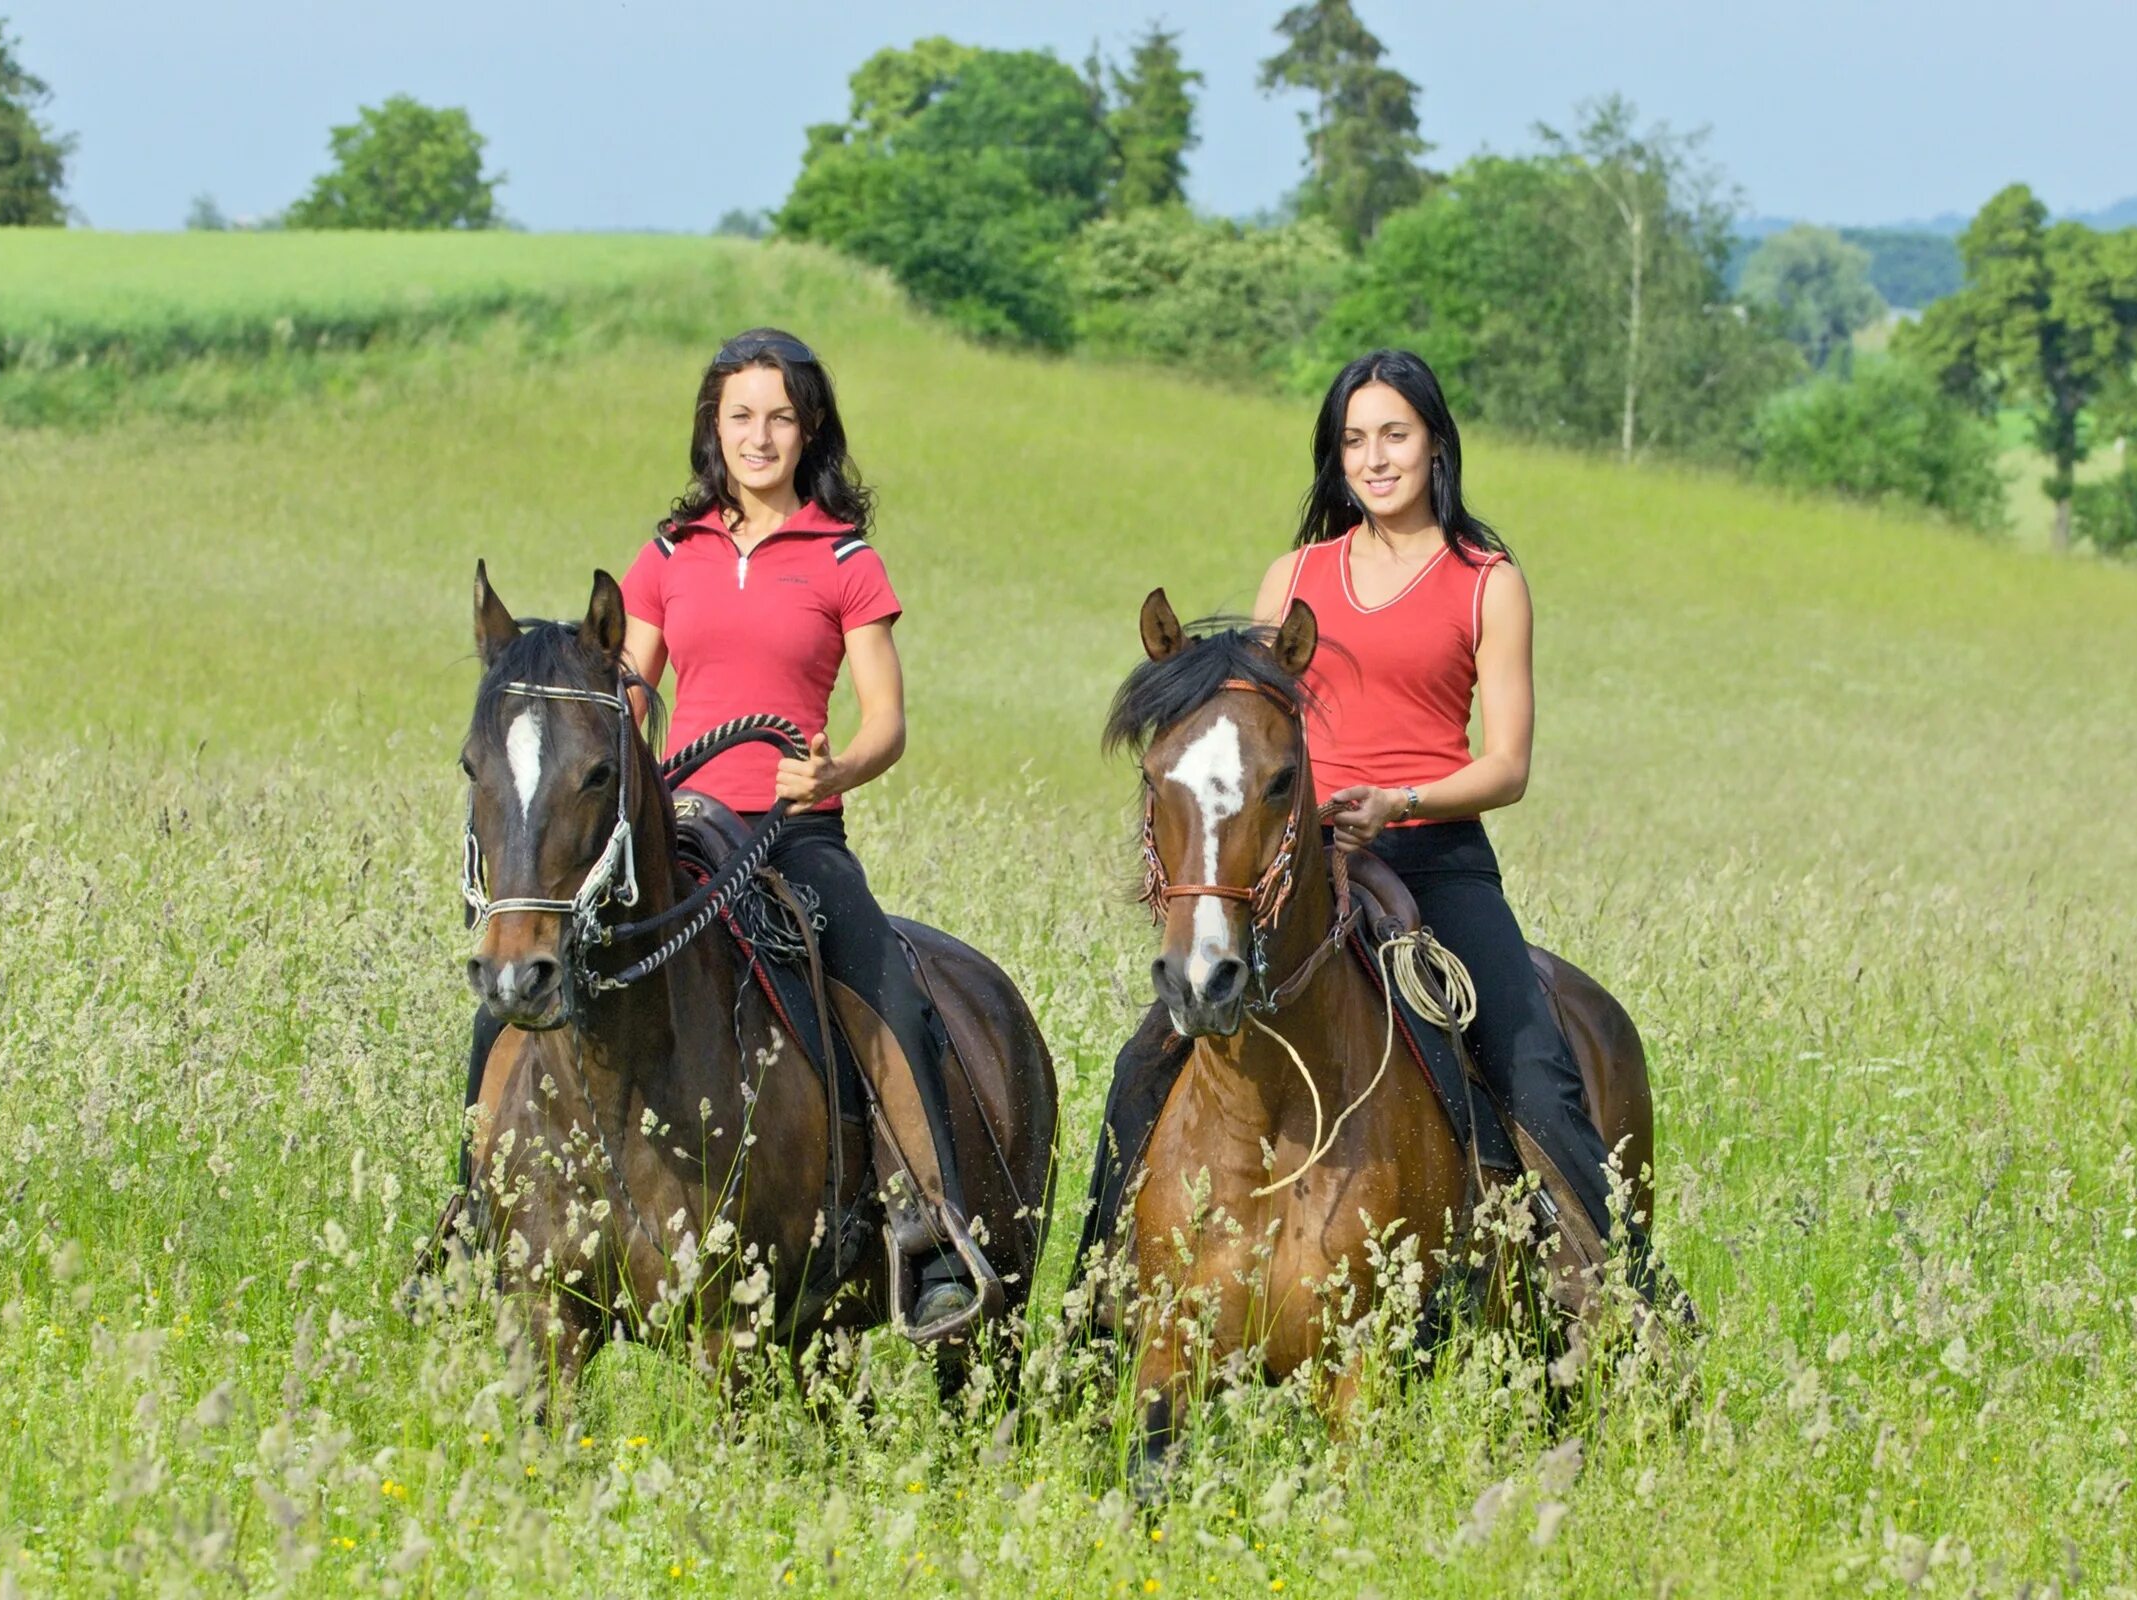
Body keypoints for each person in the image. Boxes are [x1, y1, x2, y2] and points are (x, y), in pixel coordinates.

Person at [1078, 349, 1635, 1289]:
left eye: (1394, 435)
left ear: (1434, 444)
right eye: (1353, 441)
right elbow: (1253, 728)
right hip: (1302, 859)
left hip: (1434, 858)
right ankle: (1100, 1295)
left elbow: (1507, 766)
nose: (1375, 458)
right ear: (1335, 461)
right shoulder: (1296, 572)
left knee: (1533, 1067)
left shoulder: (1486, 580)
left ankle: (1612, 1293)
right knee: (1149, 1061)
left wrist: (1401, 801)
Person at [540, 326, 979, 1337]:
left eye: (779, 416)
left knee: (886, 984)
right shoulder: (666, 555)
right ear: (713, 428)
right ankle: (476, 1210)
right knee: (534, 964)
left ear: (809, 426)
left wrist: (834, 769)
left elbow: (887, 722)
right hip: (680, 826)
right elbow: (631, 695)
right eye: (740, 415)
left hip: (792, 831)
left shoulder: (843, 558)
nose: (759, 434)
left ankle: (931, 1230)